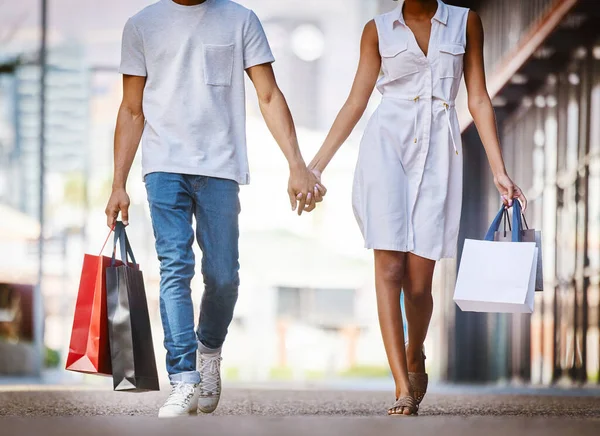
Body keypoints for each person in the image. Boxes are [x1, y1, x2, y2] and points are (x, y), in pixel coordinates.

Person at [105, 0, 325, 418]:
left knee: (224, 276)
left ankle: (209, 350)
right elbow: (132, 108)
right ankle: (184, 377)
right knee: (175, 267)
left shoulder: (241, 20)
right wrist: (118, 184)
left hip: (221, 167)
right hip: (163, 167)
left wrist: (296, 164)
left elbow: (269, 94)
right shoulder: (142, 25)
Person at [307, 0, 527, 416]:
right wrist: (315, 166)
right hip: (385, 149)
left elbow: (477, 98)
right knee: (389, 268)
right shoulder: (377, 29)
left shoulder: (467, 22)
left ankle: (414, 353)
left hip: (440, 153)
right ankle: (401, 386)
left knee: (420, 282)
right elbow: (356, 102)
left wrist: (500, 170)